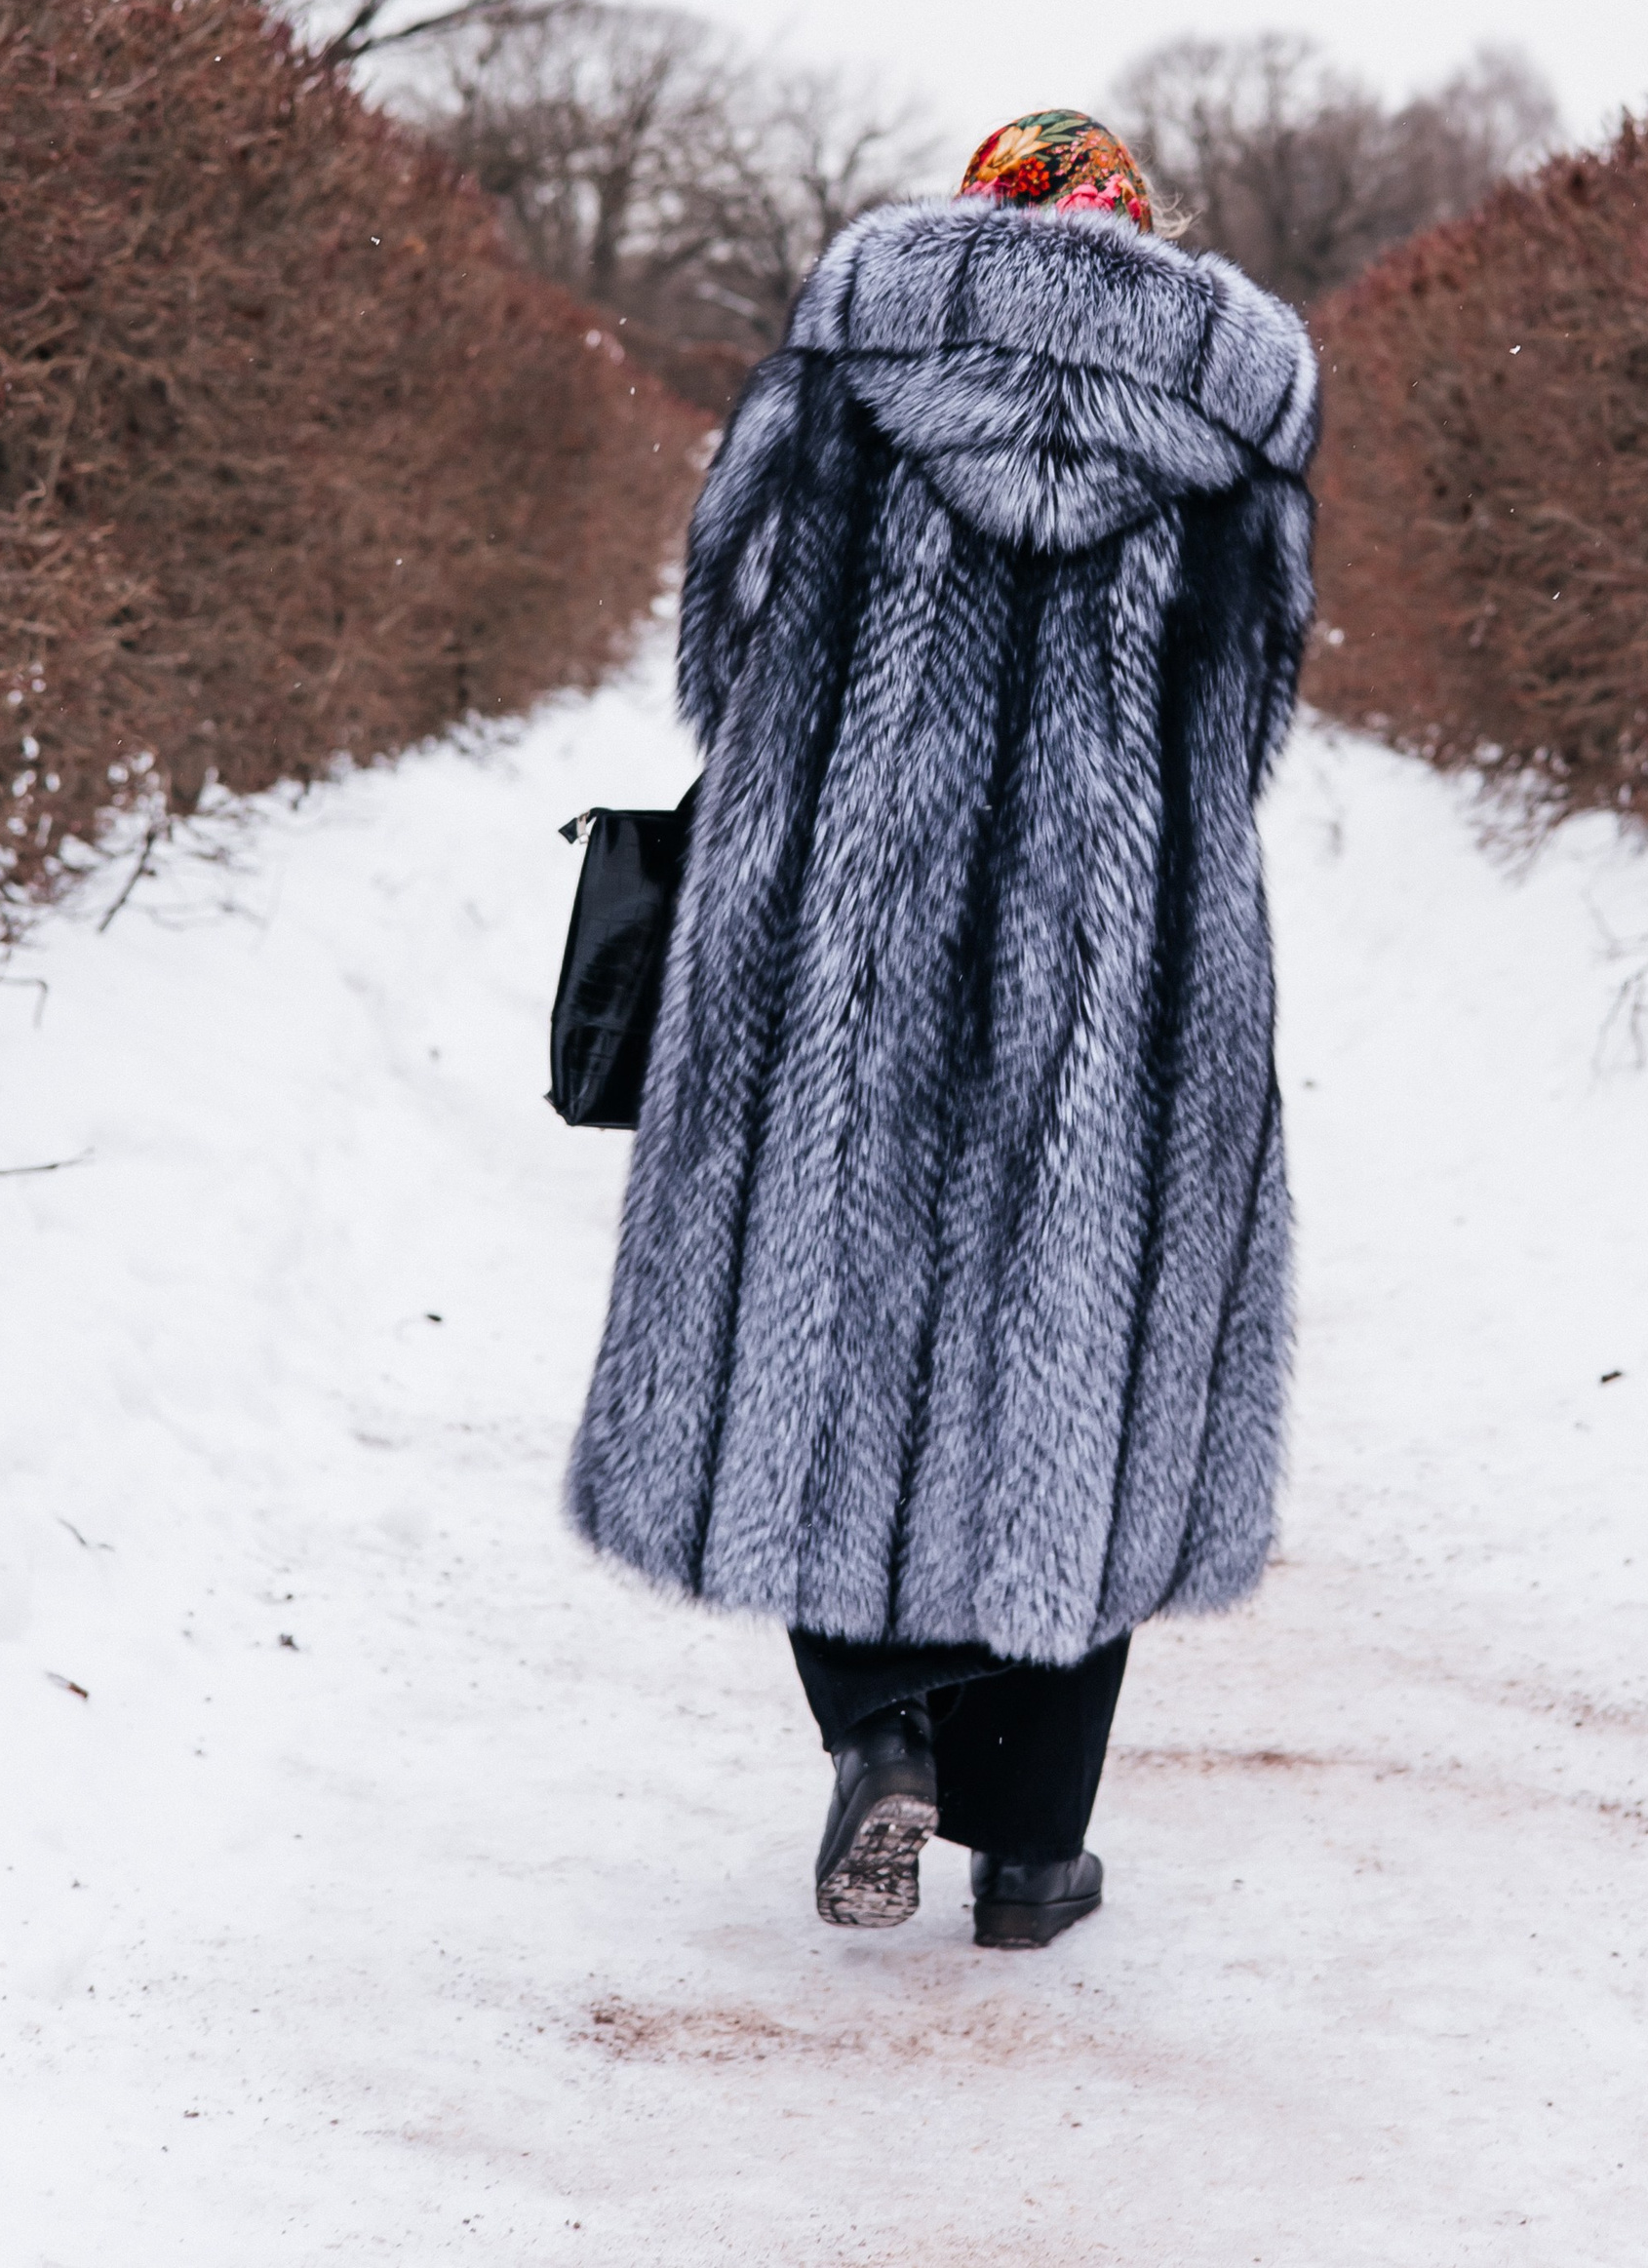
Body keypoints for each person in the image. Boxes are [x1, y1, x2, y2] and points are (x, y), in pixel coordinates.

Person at [568, 107, 1318, 1947]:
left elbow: (728, 641)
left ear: (979, 204)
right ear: (1141, 226)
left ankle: (882, 1725)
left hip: (843, 918)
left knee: (829, 1315)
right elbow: (1254, 703)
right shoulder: (1239, 405)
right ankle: (1035, 1852)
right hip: (1122, 949)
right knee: (1088, 1341)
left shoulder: (850, 349)